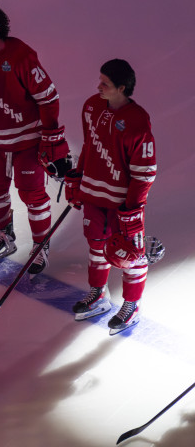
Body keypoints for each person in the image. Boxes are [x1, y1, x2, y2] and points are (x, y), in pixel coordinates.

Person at [0, 5, 65, 273]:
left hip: (26, 142)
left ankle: (41, 247)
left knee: (32, 194)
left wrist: (49, 138)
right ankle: (4, 235)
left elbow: (48, 98)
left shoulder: (21, 56)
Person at [64, 59, 157, 335]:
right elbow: (89, 147)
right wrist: (77, 178)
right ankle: (98, 294)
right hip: (93, 193)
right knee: (96, 247)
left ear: (122, 88)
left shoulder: (138, 120)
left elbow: (145, 172)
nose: (98, 86)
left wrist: (132, 209)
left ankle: (132, 305)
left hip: (122, 205)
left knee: (131, 255)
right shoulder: (91, 106)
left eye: (105, 83)